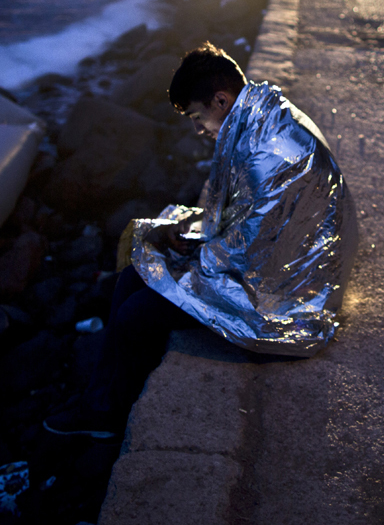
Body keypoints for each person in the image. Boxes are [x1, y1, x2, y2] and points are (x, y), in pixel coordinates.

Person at [44, 42, 357, 437]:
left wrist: (192, 257)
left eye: (196, 117)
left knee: (136, 310)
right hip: (285, 262)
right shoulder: (255, 120)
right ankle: (103, 403)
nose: (198, 129)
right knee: (132, 278)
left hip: (289, 296)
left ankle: (107, 413)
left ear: (221, 99)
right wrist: (193, 235)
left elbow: (251, 250)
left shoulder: (265, 152)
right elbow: (248, 216)